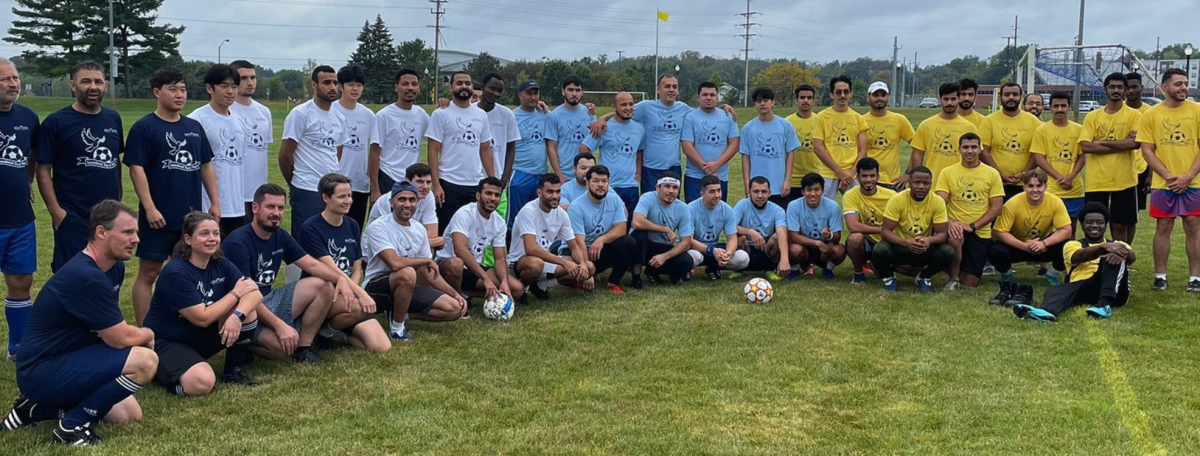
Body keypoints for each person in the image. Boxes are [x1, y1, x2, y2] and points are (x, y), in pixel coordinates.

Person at [3, 201, 155, 445]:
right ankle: (71, 427)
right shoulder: (86, 276)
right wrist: (146, 334)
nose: (136, 239)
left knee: (128, 415)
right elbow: (121, 339)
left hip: (68, 357)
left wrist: (130, 339)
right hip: (41, 370)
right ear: (101, 232)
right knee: (145, 361)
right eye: (127, 232)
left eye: (136, 232)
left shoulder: (112, 268)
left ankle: (35, 410)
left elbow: (113, 328)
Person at [222, 184, 360, 365]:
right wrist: (279, 326)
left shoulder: (280, 235)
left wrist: (340, 278)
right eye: (270, 207)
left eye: (280, 208)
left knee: (322, 284)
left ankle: (303, 348)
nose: (276, 213)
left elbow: (311, 264)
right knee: (279, 348)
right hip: (245, 308)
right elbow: (246, 295)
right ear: (255, 208)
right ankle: (243, 343)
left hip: (269, 298)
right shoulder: (238, 242)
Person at [126, 67, 221, 326]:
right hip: (158, 216)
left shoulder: (193, 127)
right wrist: (149, 208)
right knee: (149, 272)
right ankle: (146, 330)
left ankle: (179, 323)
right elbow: (137, 169)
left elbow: (205, 165)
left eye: (183, 89)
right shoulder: (144, 127)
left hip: (190, 219)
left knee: (186, 272)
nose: (180, 95)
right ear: (157, 92)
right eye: (173, 89)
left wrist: (214, 202)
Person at [143, 212, 264, 396]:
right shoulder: (176, 273)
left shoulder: (220, 263)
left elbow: (254, 293)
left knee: (247, 311)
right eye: (204, 234)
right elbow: (202, 318)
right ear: (188, 239)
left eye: (215, 233)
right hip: (167, 342)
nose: (212, 239)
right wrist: (235, 293)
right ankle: (163, 377)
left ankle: (232, 372)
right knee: (202, 383)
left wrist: (237, 316)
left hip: (196, 336)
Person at [36, 61, 125, 273]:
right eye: (86, 81)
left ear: (105, 86)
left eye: (98, 82)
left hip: (108, 216)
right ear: (73, 85)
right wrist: (57, 213)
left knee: (111, 274)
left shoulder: (113, 118)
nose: (93, 87)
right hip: (72, 215)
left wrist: (118, 198)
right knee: (72, 276)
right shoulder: (56, 122)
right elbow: (43, 169)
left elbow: (115, 161)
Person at [294, 173, 389, 351]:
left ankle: (329, 331)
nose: (348, 201)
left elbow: (356, 267)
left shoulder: (352, 225)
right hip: (323, 292)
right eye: (341, 196)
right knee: (358, 306)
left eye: (350, 195)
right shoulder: (311, 228)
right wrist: (361, 294)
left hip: (347, 292)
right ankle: (322, 333)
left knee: (381, 347)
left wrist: (351, 291)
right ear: (325, 198)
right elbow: (331, 269)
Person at [362, 181, 466, 341]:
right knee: (407, 273)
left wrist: (454, 294)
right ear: (391, 202)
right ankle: (397, 330)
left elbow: (429, 271)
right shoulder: (378, 227)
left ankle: (400, 313)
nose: (407, 204)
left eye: (412, 200)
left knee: (454, 309)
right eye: (402, 199)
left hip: (407, 286)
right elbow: (394, 263)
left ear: (417, 202)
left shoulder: (419, 229)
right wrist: (425, 260)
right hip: (376, 287)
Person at [1013, 202, 1135, 322]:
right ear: (1082, 225)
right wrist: (1103, 247)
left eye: (1099, 222)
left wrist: (1122, 253)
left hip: (1115, 292)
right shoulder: (1073, 244)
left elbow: (1132, 258)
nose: (1094, 226)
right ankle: (1047, 311)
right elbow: (1078, 256)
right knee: (1056, 290)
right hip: (1082, 288)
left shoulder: (1116, 245)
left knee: (1114, 257)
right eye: (1089, 222)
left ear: (1106, 225)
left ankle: (1104, 305)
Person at [1138, 68, 1200, 293]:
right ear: (1165, 87)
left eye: (1185, 84)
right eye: (1178, 84)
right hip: (1164, 184)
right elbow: (1147, 150)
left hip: (1193, 182)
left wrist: (1188, 176)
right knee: (1163, 226)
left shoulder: (1197, 110)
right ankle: (1160, 276)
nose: (1184, 88)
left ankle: (1195, 278)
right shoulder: (1151, 115)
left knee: (1193, 225)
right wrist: (1167, 176)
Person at [279, 65, 348, 238]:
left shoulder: (339, 117)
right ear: (314, 85)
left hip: (332, 190)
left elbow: (337, 152)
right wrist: (294, 181)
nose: (332, 87)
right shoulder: (301, 114)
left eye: (335, 83)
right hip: (306, 188)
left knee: (329, 238)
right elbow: (285, 155)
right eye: (326, 83)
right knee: (304, 240)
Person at [0, 58, 38, 359]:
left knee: (21, 280)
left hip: (20, 220)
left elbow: (31, 157)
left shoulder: (28, 117)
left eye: (15, 78)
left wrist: (26, 185)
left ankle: (19, 346)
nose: (13, 84)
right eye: (5, 80)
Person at [428, 71, 495, 235]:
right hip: (449, 182)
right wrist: (436, 185)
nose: (464, 86)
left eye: (467, 83)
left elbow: (485, 148)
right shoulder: (441, 113)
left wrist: (492, 181)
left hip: (474, 182)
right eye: (459, 83)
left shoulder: (480, 115)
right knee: (446, 231)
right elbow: (433, 150)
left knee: (472, 231)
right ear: (451, 87)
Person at [934, 132, 1004, 289]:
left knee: (971, 283)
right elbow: (939, 204)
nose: (970, 151)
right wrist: (950, 223)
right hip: (955, 228)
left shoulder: (992, 173)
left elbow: (997, 208)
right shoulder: (947, 172)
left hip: (979, 231)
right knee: (955, 238)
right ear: (958, 149)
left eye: (974, 147)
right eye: (965, 147)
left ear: (980, 149)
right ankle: (953, 278)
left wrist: (973, 226)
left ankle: (957, 269)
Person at [436, 177, 523, 303]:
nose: (493, 198)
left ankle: (465, 293)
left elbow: (499, 258)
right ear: (478, 195)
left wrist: (504, 282)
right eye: (488, 193)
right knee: (456, 264)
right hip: (448, 265)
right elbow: (460, 249)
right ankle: (455, 300)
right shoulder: (464, 213)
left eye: (497, 195)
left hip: (474, 268)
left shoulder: (499, 222)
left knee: (516, 289)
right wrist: (485, 279)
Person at [1080, 72, 1142, 245]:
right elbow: (1085, 146)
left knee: (1121, 224)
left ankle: (1120, 263)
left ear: (1125, 90)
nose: (1116, 90)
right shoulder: (1093, 116)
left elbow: (1134, 144)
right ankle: (1094, 261)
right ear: (1105, 89)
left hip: (1124, 180)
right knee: (1092, 224)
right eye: (1112, 87)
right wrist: (1121, 143)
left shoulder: (1135, 116)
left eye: (1120, 87)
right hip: (1096, 180)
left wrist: (1100, 142)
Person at [508, 174, 593, 299]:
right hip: (520, 263)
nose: (555, 196)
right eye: (550, 192)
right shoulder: (528, 211)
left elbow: (574, 247)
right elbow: (530, 249)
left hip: (544, 261)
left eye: (558, 192)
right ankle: (522, 290)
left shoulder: (561, 214)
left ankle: (541, 286)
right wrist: (564, 262)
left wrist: (582, 263)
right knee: (535, 264)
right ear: (539, 192)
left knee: (589, 267)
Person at [988, 170, 1073, 294]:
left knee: (1068, 246)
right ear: (1024, 188)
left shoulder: (1055, 201)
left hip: (1042, 247)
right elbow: (998, 232)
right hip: (1018, 246)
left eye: (1039, 186)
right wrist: (1024, 246)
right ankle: (1006, 274)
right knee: (996, 250)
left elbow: (1067, 230)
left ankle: (1052, 275)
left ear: (1045, 187)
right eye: (1030, 186)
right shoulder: (1013, 203)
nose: (1035, 190)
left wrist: (1044, 244)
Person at [874, 167, 954, 292]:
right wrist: (907, 242)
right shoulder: (897, 200)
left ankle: (923, 277)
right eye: (917, 183)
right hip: (901, 246)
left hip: (923, 247)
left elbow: (943, 234)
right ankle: (889, 277)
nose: (921, 186)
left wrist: (929, 240)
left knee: (948, 251)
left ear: (931, 184)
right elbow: (885, 232)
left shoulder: (937, 202)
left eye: (926, 183)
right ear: (909, 183)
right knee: (880, 249)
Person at [189, 64, 246, 236]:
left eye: (234, 86)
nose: (230, 91)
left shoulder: (239, 122)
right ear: (209, 88)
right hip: (208, 206)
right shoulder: (196, 120)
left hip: (236, 205)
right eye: (224, 86)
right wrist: (213, 202)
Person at [566, 165, 639, 294]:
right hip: (580, 251)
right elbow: (579, 242)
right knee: (572, 263)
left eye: (604, 181)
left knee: (628, 242)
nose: (600, 185)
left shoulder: (614, 199)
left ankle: (613, 283)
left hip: (599, 250)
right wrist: (586, 269)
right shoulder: (576, 206)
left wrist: (601, 240)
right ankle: (579, 278)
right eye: (596, 181)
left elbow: (621, 228)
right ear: (587, 183)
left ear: (608, 183)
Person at [580, 92, 644, 220]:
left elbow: (639, 150)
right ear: (614, 107)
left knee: (631, 226)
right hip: (611, 186)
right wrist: (592, 170)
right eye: (623, 104)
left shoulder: (639, 129)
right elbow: (584, 147)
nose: (628, 108)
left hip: (631, 186)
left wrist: (639, 169)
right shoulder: (604, 127)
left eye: (631, 104)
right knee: (611, 225)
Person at [369, 68, 429, 203]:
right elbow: (374, 152)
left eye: (414, 84)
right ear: (396, 87)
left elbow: (436, 138)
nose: (410, 88)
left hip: (411, 179)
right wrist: (375, 189)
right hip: (388, 175)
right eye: (405, 84)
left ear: (419, 88)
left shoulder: (422, 115)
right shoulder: (384, 116)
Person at [980, 82, 1043, 200]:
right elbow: (983, 151)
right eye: (1007, 94)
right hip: (996, 182)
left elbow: (1037, 152)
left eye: (1015, 94)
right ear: (1000, 98)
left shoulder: (1034, 122)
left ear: (1020, 97)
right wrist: (1000, 173)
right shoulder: (989, 121)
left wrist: (1024, 174)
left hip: (1026, 183)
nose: (1011, 97)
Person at [1031, 91, 1086, 227]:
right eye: (1056, 106)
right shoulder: (1041, 130)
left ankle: (1069, 249)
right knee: (1046, 228)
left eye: (1063, 106)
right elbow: (1039, 158)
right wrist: (1060, 178)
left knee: (1070, 228)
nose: (1059, 109)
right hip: (1050, 189)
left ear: (1069, 107)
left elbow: (1082, 157)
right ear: (1050, 108)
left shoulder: (1079, 129)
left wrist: (1070, 177)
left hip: (1074, 189)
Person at [332, 64, 375, 234]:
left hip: (359, 184)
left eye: (358, 85)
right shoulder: (332, 110)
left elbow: (375, 148)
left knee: (354, 229)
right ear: (340, 87)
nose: (355, 89)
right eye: (350, 84)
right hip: (335, 181)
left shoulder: (369, 115)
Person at [228, 60, 273, 221]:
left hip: (257, 191)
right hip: (233, 192)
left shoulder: (264, 112)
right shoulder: (227, 110)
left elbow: (263, 149)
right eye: (244, 78)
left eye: (253, 78)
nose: (250, 83)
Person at [740, 87, 800, 208]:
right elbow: (745, 157)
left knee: (780, 223)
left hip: (779, 187)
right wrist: (747, 183)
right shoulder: (748, 128)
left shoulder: (785, 126)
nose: (762, 103)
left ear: (772, 102)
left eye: (766, 100)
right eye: (758, 101)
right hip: (757, 187)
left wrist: (788, 180)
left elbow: (791, 153)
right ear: (755, 105)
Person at [631, 171, 694, 285]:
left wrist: (664, 256)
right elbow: (636, 222)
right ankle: (636, 278)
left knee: (687, 261)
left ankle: (652, 271)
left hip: (662, 246)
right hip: (644, 245)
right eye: (667, 186)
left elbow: (686, 242)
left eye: (675, 188)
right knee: (639, 235)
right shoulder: (648, 197)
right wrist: (666, 229)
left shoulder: (683, 208)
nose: (671, 191)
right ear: (658, 188)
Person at [907, 82, 977, 184]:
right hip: (933, 183)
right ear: (940, 100)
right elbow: (918, 154)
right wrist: (918, 180)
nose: (949, 103)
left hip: (958, 183)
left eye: (953, 99)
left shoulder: (969, 127)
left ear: (959, 99)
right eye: (946, 99)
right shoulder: (926, 125)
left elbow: (975, 157)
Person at [681, 82, 739, 202]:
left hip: (719, 177)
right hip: (694, 177)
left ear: (717, 98)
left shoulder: (728, 116)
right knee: (693, 215)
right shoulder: (690, 117)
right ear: (698, 97)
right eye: (705, 94)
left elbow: (734, 144)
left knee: (717, 215)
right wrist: (707, 168)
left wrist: (716, 165)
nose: (708, 98)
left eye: (712, 95)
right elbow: (687, 147)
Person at [632, 74, 692, 191]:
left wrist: (723, 107)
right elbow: (622, 113)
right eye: (667, 86)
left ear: (678, 91)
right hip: (650, 168)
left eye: (674, 87)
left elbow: (702, 115)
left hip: (673, 168)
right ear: (658, 89)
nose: (671, 90)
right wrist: (603, 119)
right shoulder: (646, 106)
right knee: (650, 204)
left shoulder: (683, 109)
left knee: (671, 204)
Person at [842, 157, 897, 284]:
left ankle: (879, 265)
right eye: (864, 176)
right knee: (855, 238)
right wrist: (883, 230)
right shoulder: (850, 195)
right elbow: (853, 226)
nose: (868, 180)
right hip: (868, 241)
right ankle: (858, 273)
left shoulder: (892, 196)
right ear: (857, 177)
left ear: (878, 177)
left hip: (888, 241)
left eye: (872, 176)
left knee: (912, 270)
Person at [367, 163, 442, 252]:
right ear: (407, 181)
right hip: (378, 250)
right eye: (420, 182)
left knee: (439, 241)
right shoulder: (388, 200)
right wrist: (423, 243)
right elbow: (393, 238)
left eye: (428, 182)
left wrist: (425, 242)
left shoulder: (428, 196)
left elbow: (433, 234)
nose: (425, 187)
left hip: (408, 249)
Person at [813, 75, 868, 195]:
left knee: (857, 208)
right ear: (832, 95)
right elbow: (817, 147)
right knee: (824, 210)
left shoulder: (858, 118)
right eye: (838, 92)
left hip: (851, 174)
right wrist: (840, 171)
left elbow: (863, 150)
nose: (842, 95)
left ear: (850, 94)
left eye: (846, 92)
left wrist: (851, 172)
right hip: (827, 173)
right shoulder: (821, 117)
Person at [786, 173, 846, 280]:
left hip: (824, 248)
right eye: (809, 190)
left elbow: (838, 236)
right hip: (804, 247)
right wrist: (817, 243)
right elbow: (793, 236)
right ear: (803, 191)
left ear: (822, 191)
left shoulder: (833, 206)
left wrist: (829, 235)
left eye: (817, 189)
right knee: (794, 249)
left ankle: (827, 269)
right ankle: (794, 270)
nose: (813, 194)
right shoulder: (793, 206)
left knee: (840, 250)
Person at [687, 174, 748, 280]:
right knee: (694, 256)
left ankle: (713, 268)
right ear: (702, 193)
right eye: (712, 191)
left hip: (714, 247)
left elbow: (732, 238)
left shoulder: (727, 210)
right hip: (695, 248)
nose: (717, 195)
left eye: (719, 190)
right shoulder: (690, 209)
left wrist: (728, 254)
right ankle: (685, 270)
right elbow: (688, 240)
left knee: (743, 258)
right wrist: (711, 250)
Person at [733, 176, 791, 280]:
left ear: (769, 193)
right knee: (739, 238)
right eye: (756, 191)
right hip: (747, 249)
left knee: (779, 237)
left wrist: (784, 259)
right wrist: (750, 232)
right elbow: (730, 227)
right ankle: (739, 270)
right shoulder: (742, 204)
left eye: (764, 192)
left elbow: (782, 233)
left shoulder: (778, 210)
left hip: (766, 249)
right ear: (749, 192)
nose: (760, 195)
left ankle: (769, 269)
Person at [508, 80, 549, 228]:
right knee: (516, 219)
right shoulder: (512, 116)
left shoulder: (545, 114)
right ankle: (513, 248)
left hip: (541, 173)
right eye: (528, 93)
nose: (533, 97)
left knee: (540, 219)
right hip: (520, 172)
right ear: (520, 95)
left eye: (535, 93)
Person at [863, 81, 915, 189]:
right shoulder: (860, 121)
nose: (879, 98)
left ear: (889, 97)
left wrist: (908, 174)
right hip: (868, 182)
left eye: (883, 95)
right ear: (868, 97)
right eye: (875, 95)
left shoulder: (899, 120)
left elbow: (917, 147)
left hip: (893, 182)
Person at [546, 75, 597, 183]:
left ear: (582, 92)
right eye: (570, 90)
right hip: (566, 175)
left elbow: (594, 142)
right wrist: (559, 175)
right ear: (563, 91)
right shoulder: (554, 116)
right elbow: (551, 148)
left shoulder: (590, 113)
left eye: (578, 90)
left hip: (586, 175)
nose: (574, 94)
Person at [785, 85, 820, 204]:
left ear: (814, 101)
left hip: (816, 176)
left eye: (809, 98)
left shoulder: (820, 121)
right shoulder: (787, 123)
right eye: (802, 97)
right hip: (793, 179)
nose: (806, 100)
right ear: (796, 100)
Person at [1125, 72, 1153, 213]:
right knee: (1116, 211)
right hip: (1121, 167)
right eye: (1128, 87)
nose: (1131, 91)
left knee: (1133, 213)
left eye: (1134, 87)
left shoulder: (1150, 112)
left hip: (1142, 168)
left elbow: (1156, 146)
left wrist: (1150, 175)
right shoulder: (1118, 111)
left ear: (1141, 88)